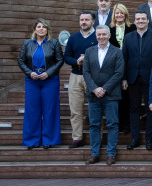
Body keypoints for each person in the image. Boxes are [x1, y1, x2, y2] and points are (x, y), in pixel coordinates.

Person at [18, 18, 63, 149]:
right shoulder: (27, 44)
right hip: (32, 81)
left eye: (44, 27)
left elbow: (60, 61)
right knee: (32, 110)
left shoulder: (54, 43)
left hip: (50, 81)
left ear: (47, 29)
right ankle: (31, 140)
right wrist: (29, 73)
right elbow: (21, 61)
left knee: (50, 109)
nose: (41, 29)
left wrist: (48, 73)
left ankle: (49, 139)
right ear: (34, 30)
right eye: (39, 27)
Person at [83, 25, 124, 165]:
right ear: (96, 36)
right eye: (99, 34)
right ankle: (94, 154)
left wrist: (104, 89)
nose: (101, 37)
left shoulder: (117, 52)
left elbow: (119, 73)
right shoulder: (89, 51)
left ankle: (111, 154)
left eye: (104, 34)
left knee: (112, 124)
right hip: (94, 95)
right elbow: (86, 72)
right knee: (94, 125)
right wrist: (94, 88)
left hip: (111, 94)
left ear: (109, 36)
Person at [122, 11, 152, 150]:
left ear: (147, 21)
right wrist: (124, 78)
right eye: (138, 19)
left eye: (143, 19)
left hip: (150, 79)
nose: (140, 21)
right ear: (134, 21)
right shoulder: (128, 37)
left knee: (150, 109)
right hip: (132, 78)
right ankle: (135, 139)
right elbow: (124, 59)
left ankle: (149, 140)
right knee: (134, 108)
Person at [63, 11, 98, 148]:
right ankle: (77, 138)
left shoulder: (98, 36)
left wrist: (87, 59)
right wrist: (77, 61)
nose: (84, 22)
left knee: (95, 109)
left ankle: (96, 138)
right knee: (75, 109)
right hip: (76, 76)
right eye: (81, 20)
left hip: (94, 77)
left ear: (93, 21)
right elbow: (66, 57)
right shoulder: (73, 38)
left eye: (87, 20)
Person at [109, 3, 136, 134]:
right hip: (113, 66)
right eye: (117, 13)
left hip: (129, 65)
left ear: (125, 14)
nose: (119, 15)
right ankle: (117, 123)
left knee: (128, 96)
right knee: (116, 96)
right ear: (114, 15)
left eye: (121, 13)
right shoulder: (109, 29)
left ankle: (127, 124)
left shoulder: (133, 28)